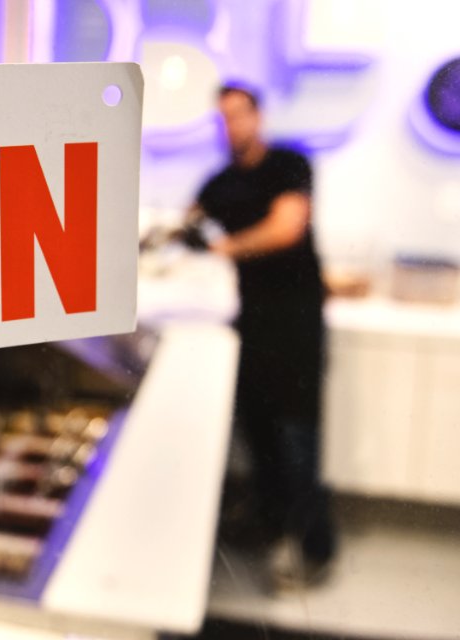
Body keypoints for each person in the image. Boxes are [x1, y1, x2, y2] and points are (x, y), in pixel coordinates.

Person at [191, 82, 335, 589]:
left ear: (258, 116)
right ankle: (275, 539)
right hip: (247, 326)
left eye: (238, 114)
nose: (231, 126)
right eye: (223, 117)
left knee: (299, 442)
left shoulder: (289, 166)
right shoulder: (218, 183)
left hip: (294, 323)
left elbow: (285, 229)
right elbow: (189, 226)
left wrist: (224, 248)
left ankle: (314, 549)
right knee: (261, 441)